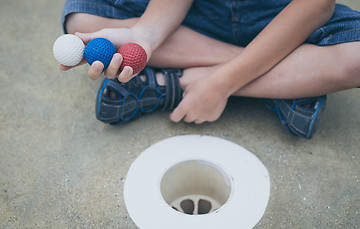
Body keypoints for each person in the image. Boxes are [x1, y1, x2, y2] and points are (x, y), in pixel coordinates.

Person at [59, 0, 360, 139]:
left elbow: (316, 5)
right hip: (199, 10)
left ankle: (169, 84)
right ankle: (283, 78)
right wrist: (144, 36)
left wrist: (220, 84)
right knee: (82, 20)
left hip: (280, 13)